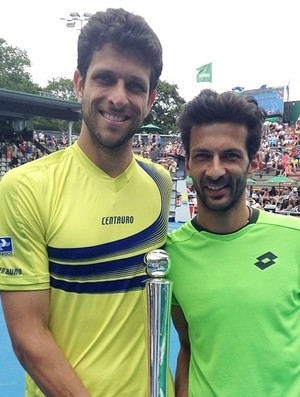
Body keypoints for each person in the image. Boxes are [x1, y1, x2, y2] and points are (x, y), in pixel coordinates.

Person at [0, 8, 173, 397]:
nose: (118, 97)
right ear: (79, 84)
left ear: (150, 99)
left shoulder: (160, 183)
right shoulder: (24, 187)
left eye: (134, 85)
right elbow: (28, 336)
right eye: (105, 78)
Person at [166, 89, 300, 397]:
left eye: (230, 156)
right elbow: (187, 347)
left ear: (252, 163)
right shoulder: (173, 254)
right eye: (202, 156)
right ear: (188, 162)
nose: (215, 170)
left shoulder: (294, 239)